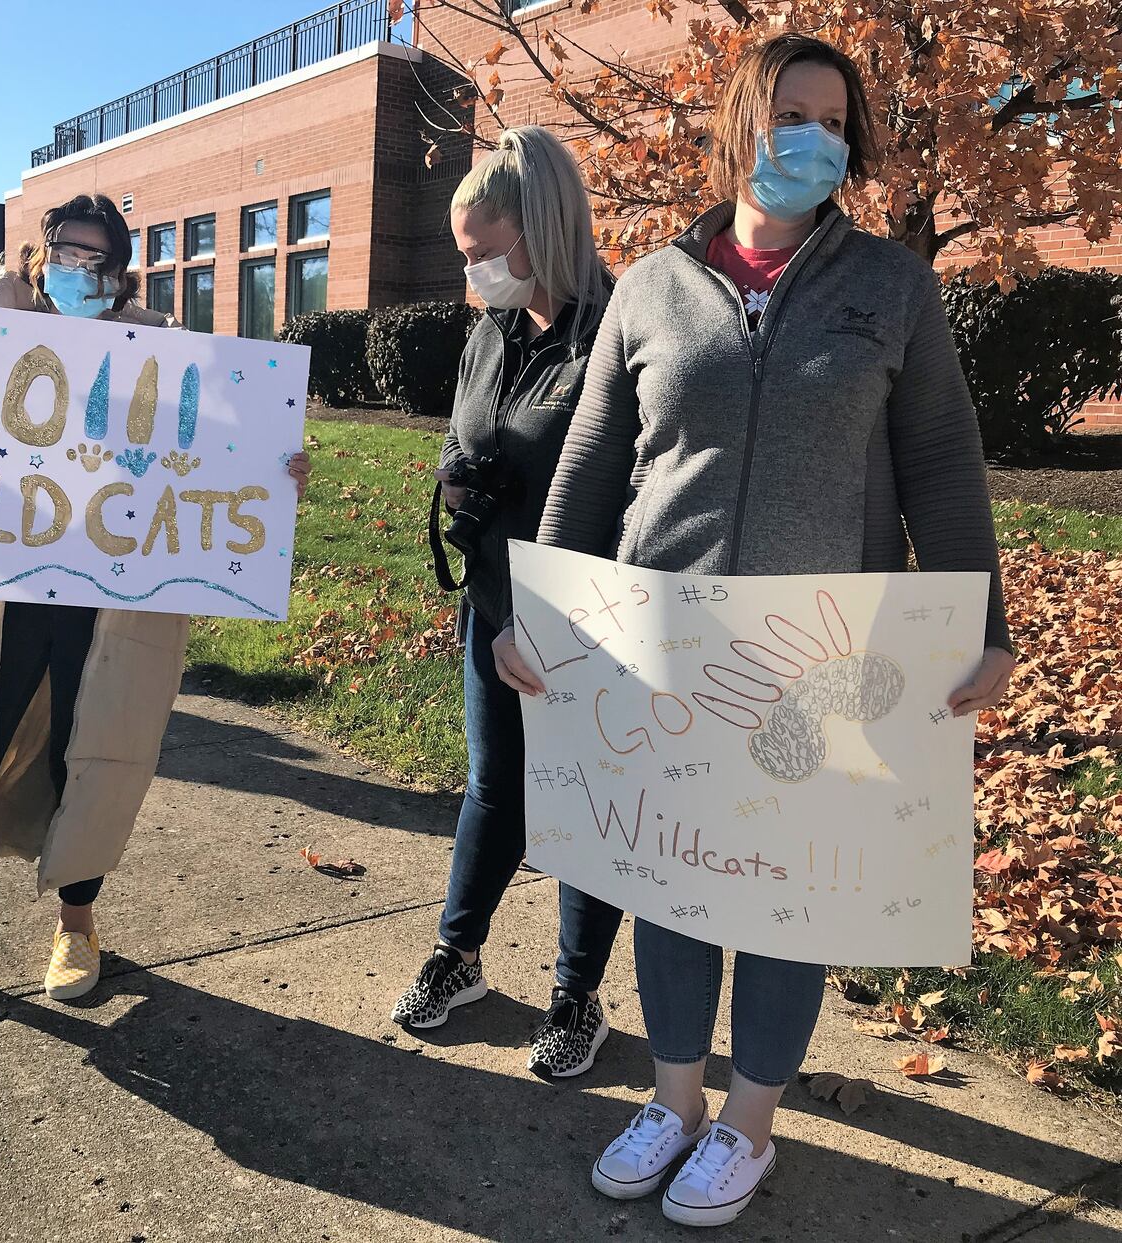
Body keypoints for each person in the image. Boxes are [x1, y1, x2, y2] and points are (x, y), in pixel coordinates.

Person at [491, 34, 1014, 1227]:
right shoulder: (651, 286)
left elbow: (939, 458)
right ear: (739, 121)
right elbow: (589, 464)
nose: (812, 138)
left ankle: (748, 1124)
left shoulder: (891, 286)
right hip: (660, 647)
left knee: (790, 894)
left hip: (826, 656)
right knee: (672, 886)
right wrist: (541, 617)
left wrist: (982, 619)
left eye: (834, 121)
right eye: (790, 111)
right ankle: (674, 1102)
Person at [0, 194, 314, 1017]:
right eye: (68, 253)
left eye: (99, 261)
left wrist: (272, 477)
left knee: (87, 748)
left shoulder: (164, 362)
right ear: (39, 255)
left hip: (105, 609)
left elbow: (213, 464)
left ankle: (77, 925)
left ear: (119, 271)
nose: (81, 272)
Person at [388, 126, 624, 1080]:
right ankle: (460, 953)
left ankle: (577, 995)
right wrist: (457, 483)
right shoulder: (490, 333)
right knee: (495, 786)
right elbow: (462, 435)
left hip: (589, 609)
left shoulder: (618, 327)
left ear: (543, 228)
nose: (473, 271)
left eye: (484, 251)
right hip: (494, 604)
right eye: (463, 254)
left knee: (585, 804)